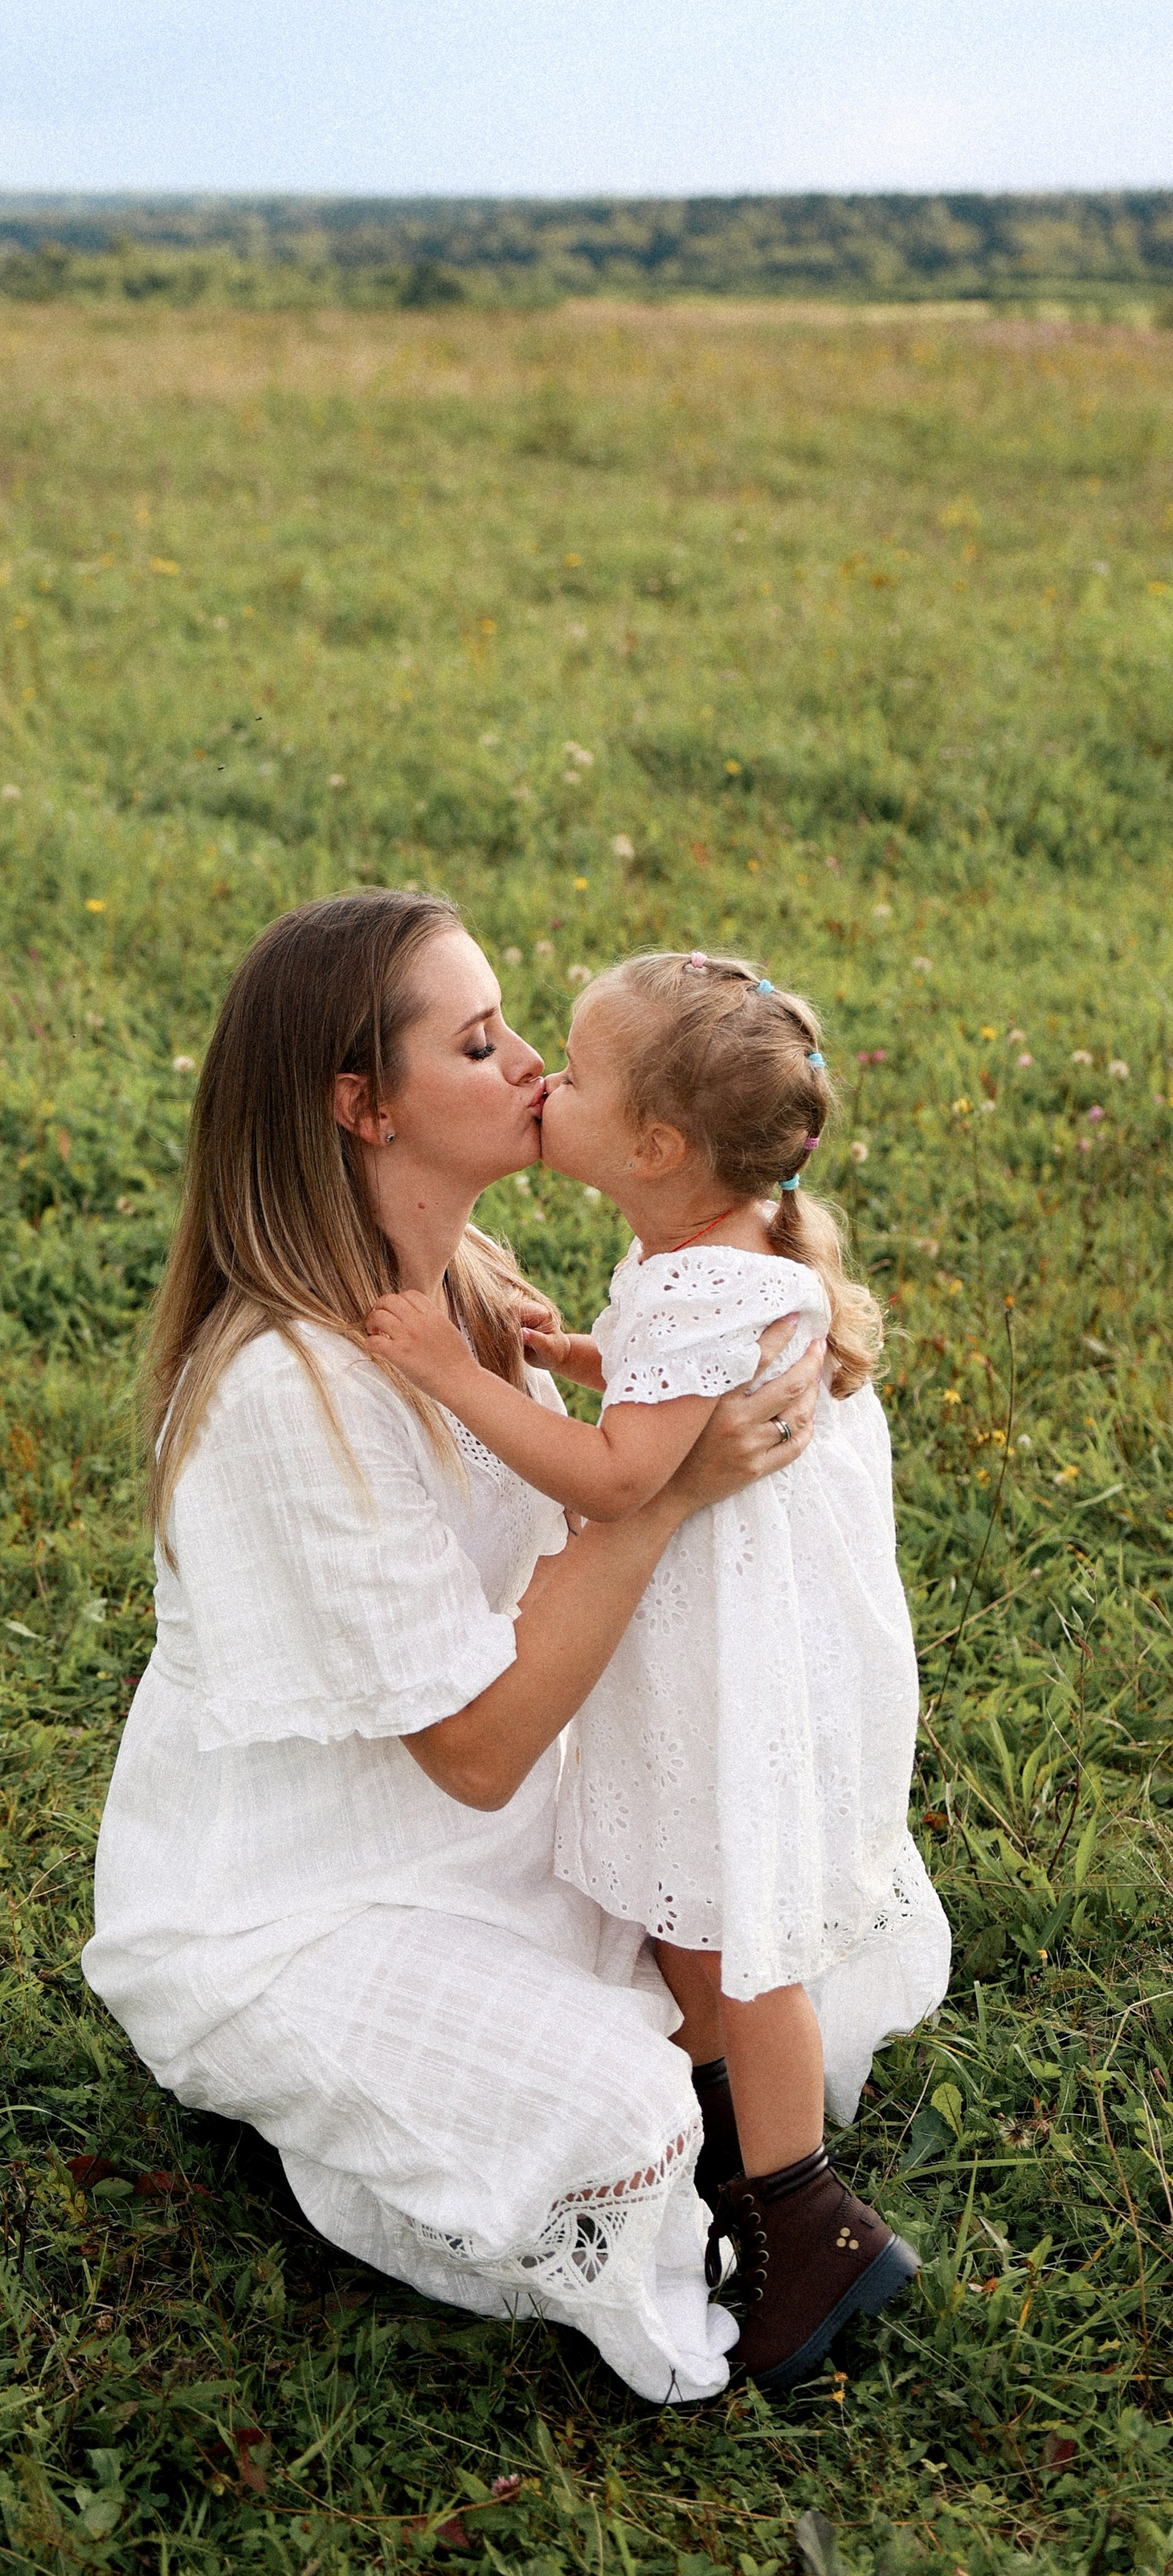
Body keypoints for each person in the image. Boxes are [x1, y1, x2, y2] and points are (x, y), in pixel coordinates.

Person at [82, 892, 828, 2404]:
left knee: (795, 1947)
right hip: (300, 1906)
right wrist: (669, 1487)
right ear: (363, 1108)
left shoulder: (465, 1287)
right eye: (481, 1044)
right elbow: (477, 1752)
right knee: (628, 2117)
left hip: (506, 1834)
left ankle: (712, 2138)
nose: (535, 1069)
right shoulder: (288, 1392)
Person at [367, 949, 949, 2390]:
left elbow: (628, 1481)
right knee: (695, 1904)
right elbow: (656, 1390)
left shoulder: (701, 1284)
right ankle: (729, 2156)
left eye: (571, 1072)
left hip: (726, 1655)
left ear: (654, 1148)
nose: (541, 1084)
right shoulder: (704, 1251)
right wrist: (584, 1349)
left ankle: (808, 2219)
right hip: (723, 1636)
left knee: (742, 1936)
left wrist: (453, 1372)